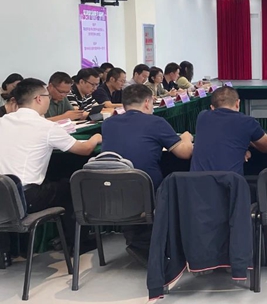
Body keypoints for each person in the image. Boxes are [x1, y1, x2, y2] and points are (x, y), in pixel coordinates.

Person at [0, 78, 101, 251]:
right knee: (73, 186)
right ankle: (76, 244)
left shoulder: (3, 121)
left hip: (3, 194)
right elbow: (84, 149)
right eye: (47, 95)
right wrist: (96, 138)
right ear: (39, 98)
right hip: (26, 197)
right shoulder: (45, 126)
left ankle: (6, 253)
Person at [101, 84, 194, 265]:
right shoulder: (156, 122)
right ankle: (154, 243)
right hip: (146, 189)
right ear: (146, 103)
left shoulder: (108, 124)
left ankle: (137, 240)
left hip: (111, 192)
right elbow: (185, 153)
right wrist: (186, 137)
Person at [191, 87, 267, 175]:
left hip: (196, 182)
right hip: (229, 182)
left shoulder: (202, 116)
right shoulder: (247, 122)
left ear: (212, 107)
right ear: (238, 103)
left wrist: (242, 147)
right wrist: (244, 145)